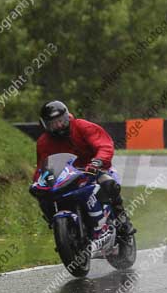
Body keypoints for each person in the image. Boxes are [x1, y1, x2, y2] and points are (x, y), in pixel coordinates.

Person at [33, 100, 136, 237]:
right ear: (45, 125)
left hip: (94, 168)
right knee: (43, 194)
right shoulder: (43, 142)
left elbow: (105, 145)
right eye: (53, 123)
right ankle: (55, 222)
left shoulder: (83, 127)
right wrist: (38, 182)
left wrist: (97, 162)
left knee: (108, 183)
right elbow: (43, 165)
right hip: (66, 175)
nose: (58, 125)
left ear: (67, 116)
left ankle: (122, 219)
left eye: (61, 121)